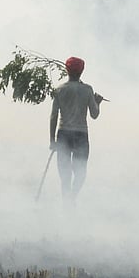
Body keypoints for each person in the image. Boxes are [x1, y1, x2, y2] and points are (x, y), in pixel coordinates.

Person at [50, 56, 103, 207]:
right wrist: (98, 103)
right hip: (81, 134)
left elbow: (54, 115)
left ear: (67, 70)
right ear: (82, 71)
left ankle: (66, 200)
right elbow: (94, 115)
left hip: (63, 134)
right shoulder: (87, 90)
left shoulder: (60, 89)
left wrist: (52, 140)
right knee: (80, 170)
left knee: (64, 172)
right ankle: (72, 197)